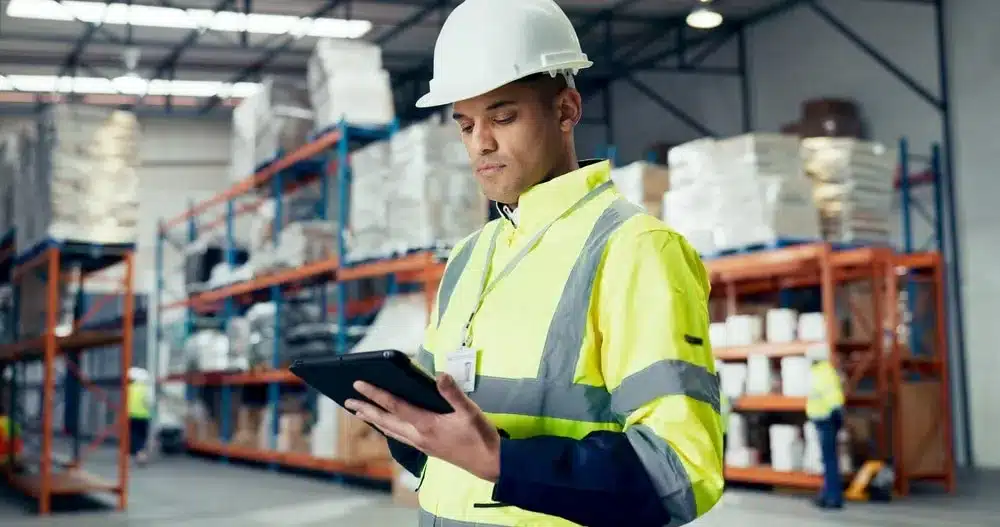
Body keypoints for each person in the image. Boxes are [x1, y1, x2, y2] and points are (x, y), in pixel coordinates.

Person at [344, 1, 724, 525]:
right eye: (465, 125)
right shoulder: (467, 258)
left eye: (503, 116)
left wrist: (502, 461)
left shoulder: (635, 249)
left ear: (566, 110)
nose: (482, 143)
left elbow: (680, 472)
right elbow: (435, 429)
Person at [806, 343, 846, 510]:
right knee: (827, 459)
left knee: (829, 460)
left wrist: (836, 416)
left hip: (826, 420)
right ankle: (827, 493)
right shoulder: (821, 371)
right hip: (823, 420)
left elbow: (833, 398)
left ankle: (833, 497)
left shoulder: (823, 372)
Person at [127, 366, 153, 465]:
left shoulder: (130, 388)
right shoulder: (146, 389)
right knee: (142, 437)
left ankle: (136, 454)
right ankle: (141, 455)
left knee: (134, 436)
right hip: (143, 417)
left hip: (131, 416)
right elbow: (149, 403)